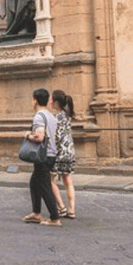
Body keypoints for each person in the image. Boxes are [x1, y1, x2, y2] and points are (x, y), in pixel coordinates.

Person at [22, 88, 60, 227]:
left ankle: (54, 218)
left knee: (45, 186)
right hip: (51, 154)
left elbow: (39, 137)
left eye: (32, 99)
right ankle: (36, 213)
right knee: (34, 182)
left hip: (43, 156)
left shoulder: (39, 116)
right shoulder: (51, 116)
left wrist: (27, 135)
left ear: (35, 101)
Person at [50, 90, 77, 219]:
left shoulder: (57, 118)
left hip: (59, 152)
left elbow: (57, 137)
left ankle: (61, 207)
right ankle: (72, 210)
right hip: (70, 151)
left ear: (56, 102)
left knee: (51, 180)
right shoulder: (67, 115)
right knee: (68, 181)